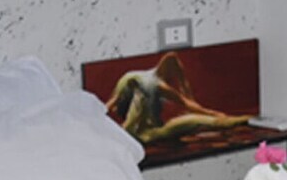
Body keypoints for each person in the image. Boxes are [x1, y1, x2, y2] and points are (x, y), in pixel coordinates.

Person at [106, 51, 249, 143]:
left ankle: (230, 120)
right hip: (143, 132)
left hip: (140, 128)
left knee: (200, 121)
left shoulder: (143, 81)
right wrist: (213, 114)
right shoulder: (152, 84)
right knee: (202, 121)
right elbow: (186, 103)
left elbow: (112, 103)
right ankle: (231, 120)